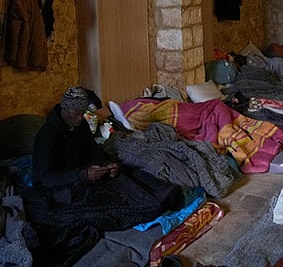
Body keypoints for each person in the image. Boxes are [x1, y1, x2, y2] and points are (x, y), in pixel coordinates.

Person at [29, 86, 183, 232]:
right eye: (77, 113)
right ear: (65, 109)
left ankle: (165, 195)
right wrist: (83, 174)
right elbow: (47, 178)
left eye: (82, 113)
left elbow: (92, 149)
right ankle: (153, 205)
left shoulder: (80, 125)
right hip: (62, 189)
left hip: (82, 175)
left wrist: (108, 163)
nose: (80, 118)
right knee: (118, 202)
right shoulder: (47, 137)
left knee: (130, 177)